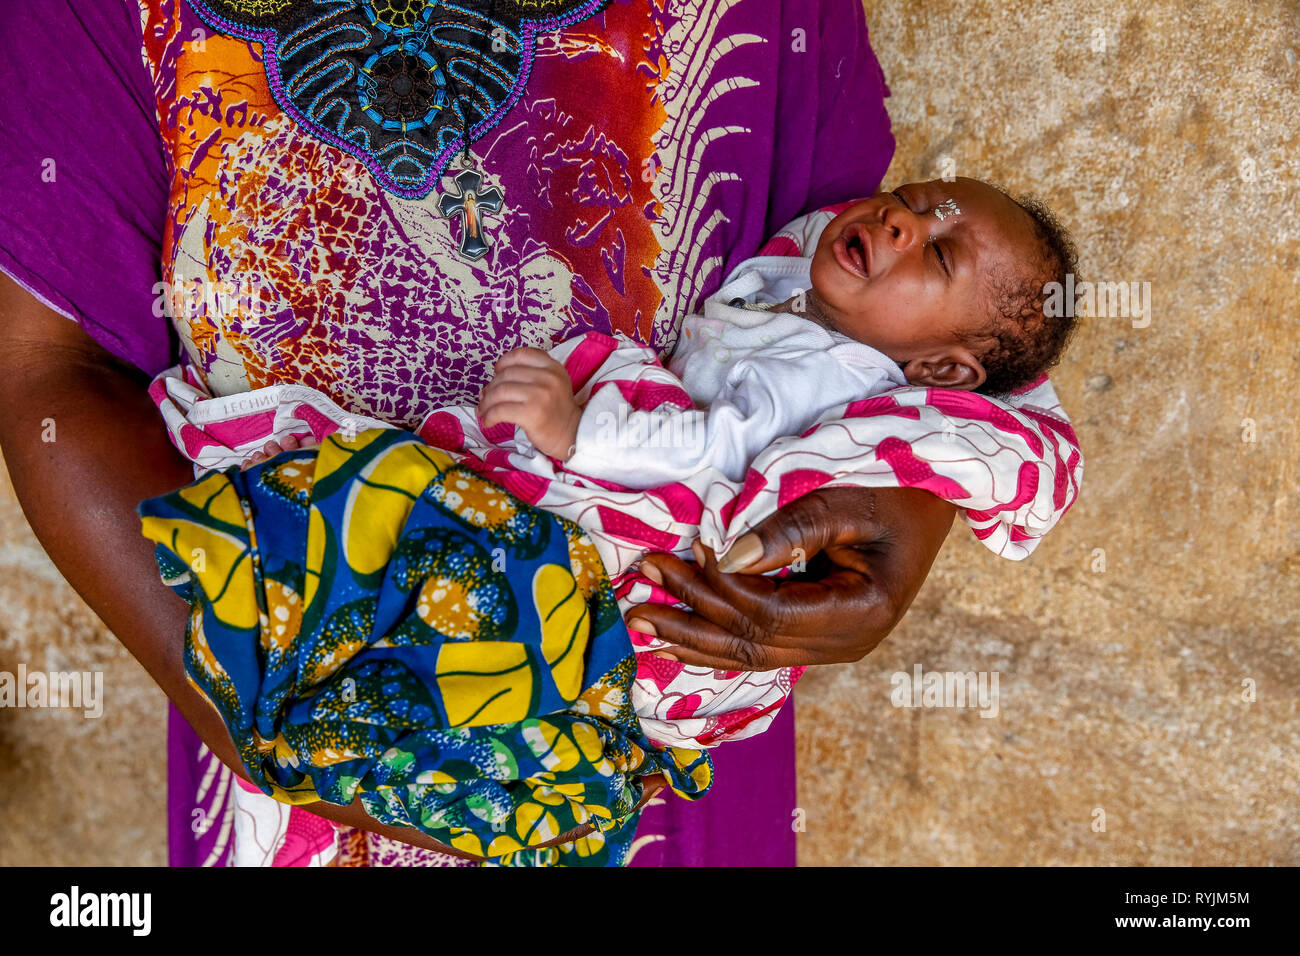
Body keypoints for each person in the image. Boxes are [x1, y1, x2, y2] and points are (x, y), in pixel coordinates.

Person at [0, 0, 1081, 865]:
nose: (903, 221)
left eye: (932, 231)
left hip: (650, 654)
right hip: (276, 661)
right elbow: (49, 370)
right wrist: (258, 708)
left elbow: (928, 360)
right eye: (918, 206)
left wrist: (892, 503)